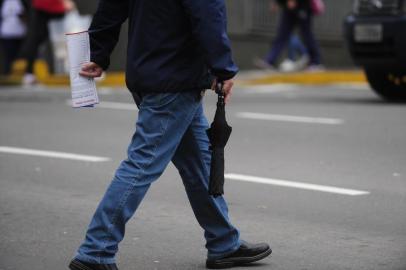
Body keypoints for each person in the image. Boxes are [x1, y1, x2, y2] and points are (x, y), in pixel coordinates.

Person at [68, 0, 272, 270]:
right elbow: (208, 14)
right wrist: (222, 69)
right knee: (141, 165)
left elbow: (110, 8)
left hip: (151, 72)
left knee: (200, 162)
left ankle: (224, 242)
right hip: (174, 78)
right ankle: (96, 250)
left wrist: (98, 53)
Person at [18, 0, 74, 85]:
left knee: (42, 40)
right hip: (45, 6)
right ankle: (30, 72)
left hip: (51, 7)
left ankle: (32, 72)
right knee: (36, 40)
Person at [260, 0, 322, 70]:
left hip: (302, 6)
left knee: (307, 35)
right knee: (282, 35)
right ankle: (269, 60)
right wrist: (276, 2)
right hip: (288, 8)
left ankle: (315, 62)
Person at [0, 0, 28, 75]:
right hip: (6, 33)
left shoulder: (23, 2)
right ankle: (7, 73)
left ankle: (20, 74)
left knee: (20, 56)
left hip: (21, 33)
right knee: (8, 56)